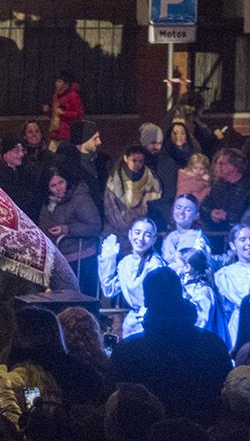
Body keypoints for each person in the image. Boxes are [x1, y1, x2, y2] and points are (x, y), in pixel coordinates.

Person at [109, 267, 231, 425]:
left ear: (146, 300)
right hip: (201, 434)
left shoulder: (127, 351)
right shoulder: (213, 344)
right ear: (180, 294)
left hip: (144, 436)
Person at [39, 167, 102, 297]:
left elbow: (94, 226)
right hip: (59, 259)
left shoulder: (80, 199)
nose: (58, 188)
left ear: (67, 181)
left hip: (81, 258)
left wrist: (67, 229)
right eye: (53, 185)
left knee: (78, 297)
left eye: (61, 183)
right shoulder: (48, 203)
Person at [103, 219, 167, 337]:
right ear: (130, 234)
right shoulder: (125, 262)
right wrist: (108, 258)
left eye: (147, 235)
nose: (140, 238)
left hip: (151, 321)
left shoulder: (155, 264)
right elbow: (109, 290)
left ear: (153, 240)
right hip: (133, 321)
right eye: (137, 232)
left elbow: (159, 299)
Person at [215, 224, 250, 347]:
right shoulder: (224, 274)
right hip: (239, 326)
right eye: (242, 239)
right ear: (233, 245)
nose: (249, 243)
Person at [102, 144, 160, 237]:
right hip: (118, 231)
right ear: (126, 158)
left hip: (143, 231)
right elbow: (110, 207)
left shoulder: (151, 179)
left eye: (140, 161)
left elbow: (155, 200)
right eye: (134, 161)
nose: (137, 165)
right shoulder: (114, 180)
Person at [161, 194, 208, 272]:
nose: (181, 212)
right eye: (178, 207)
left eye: (188, 210)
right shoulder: (169, 237)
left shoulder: (198, 239)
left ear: (196, 215)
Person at [45, 70, 85, 145]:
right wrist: (48, 111)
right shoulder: (55, 96)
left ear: (66, 85)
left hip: (67, 135)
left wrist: (63, 113)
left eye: (59, 81)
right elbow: (54, 115)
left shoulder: (73, 96)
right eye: (56, 81)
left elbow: (79, 115)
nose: (56, 83)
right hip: (55, 134)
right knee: (51, 152)